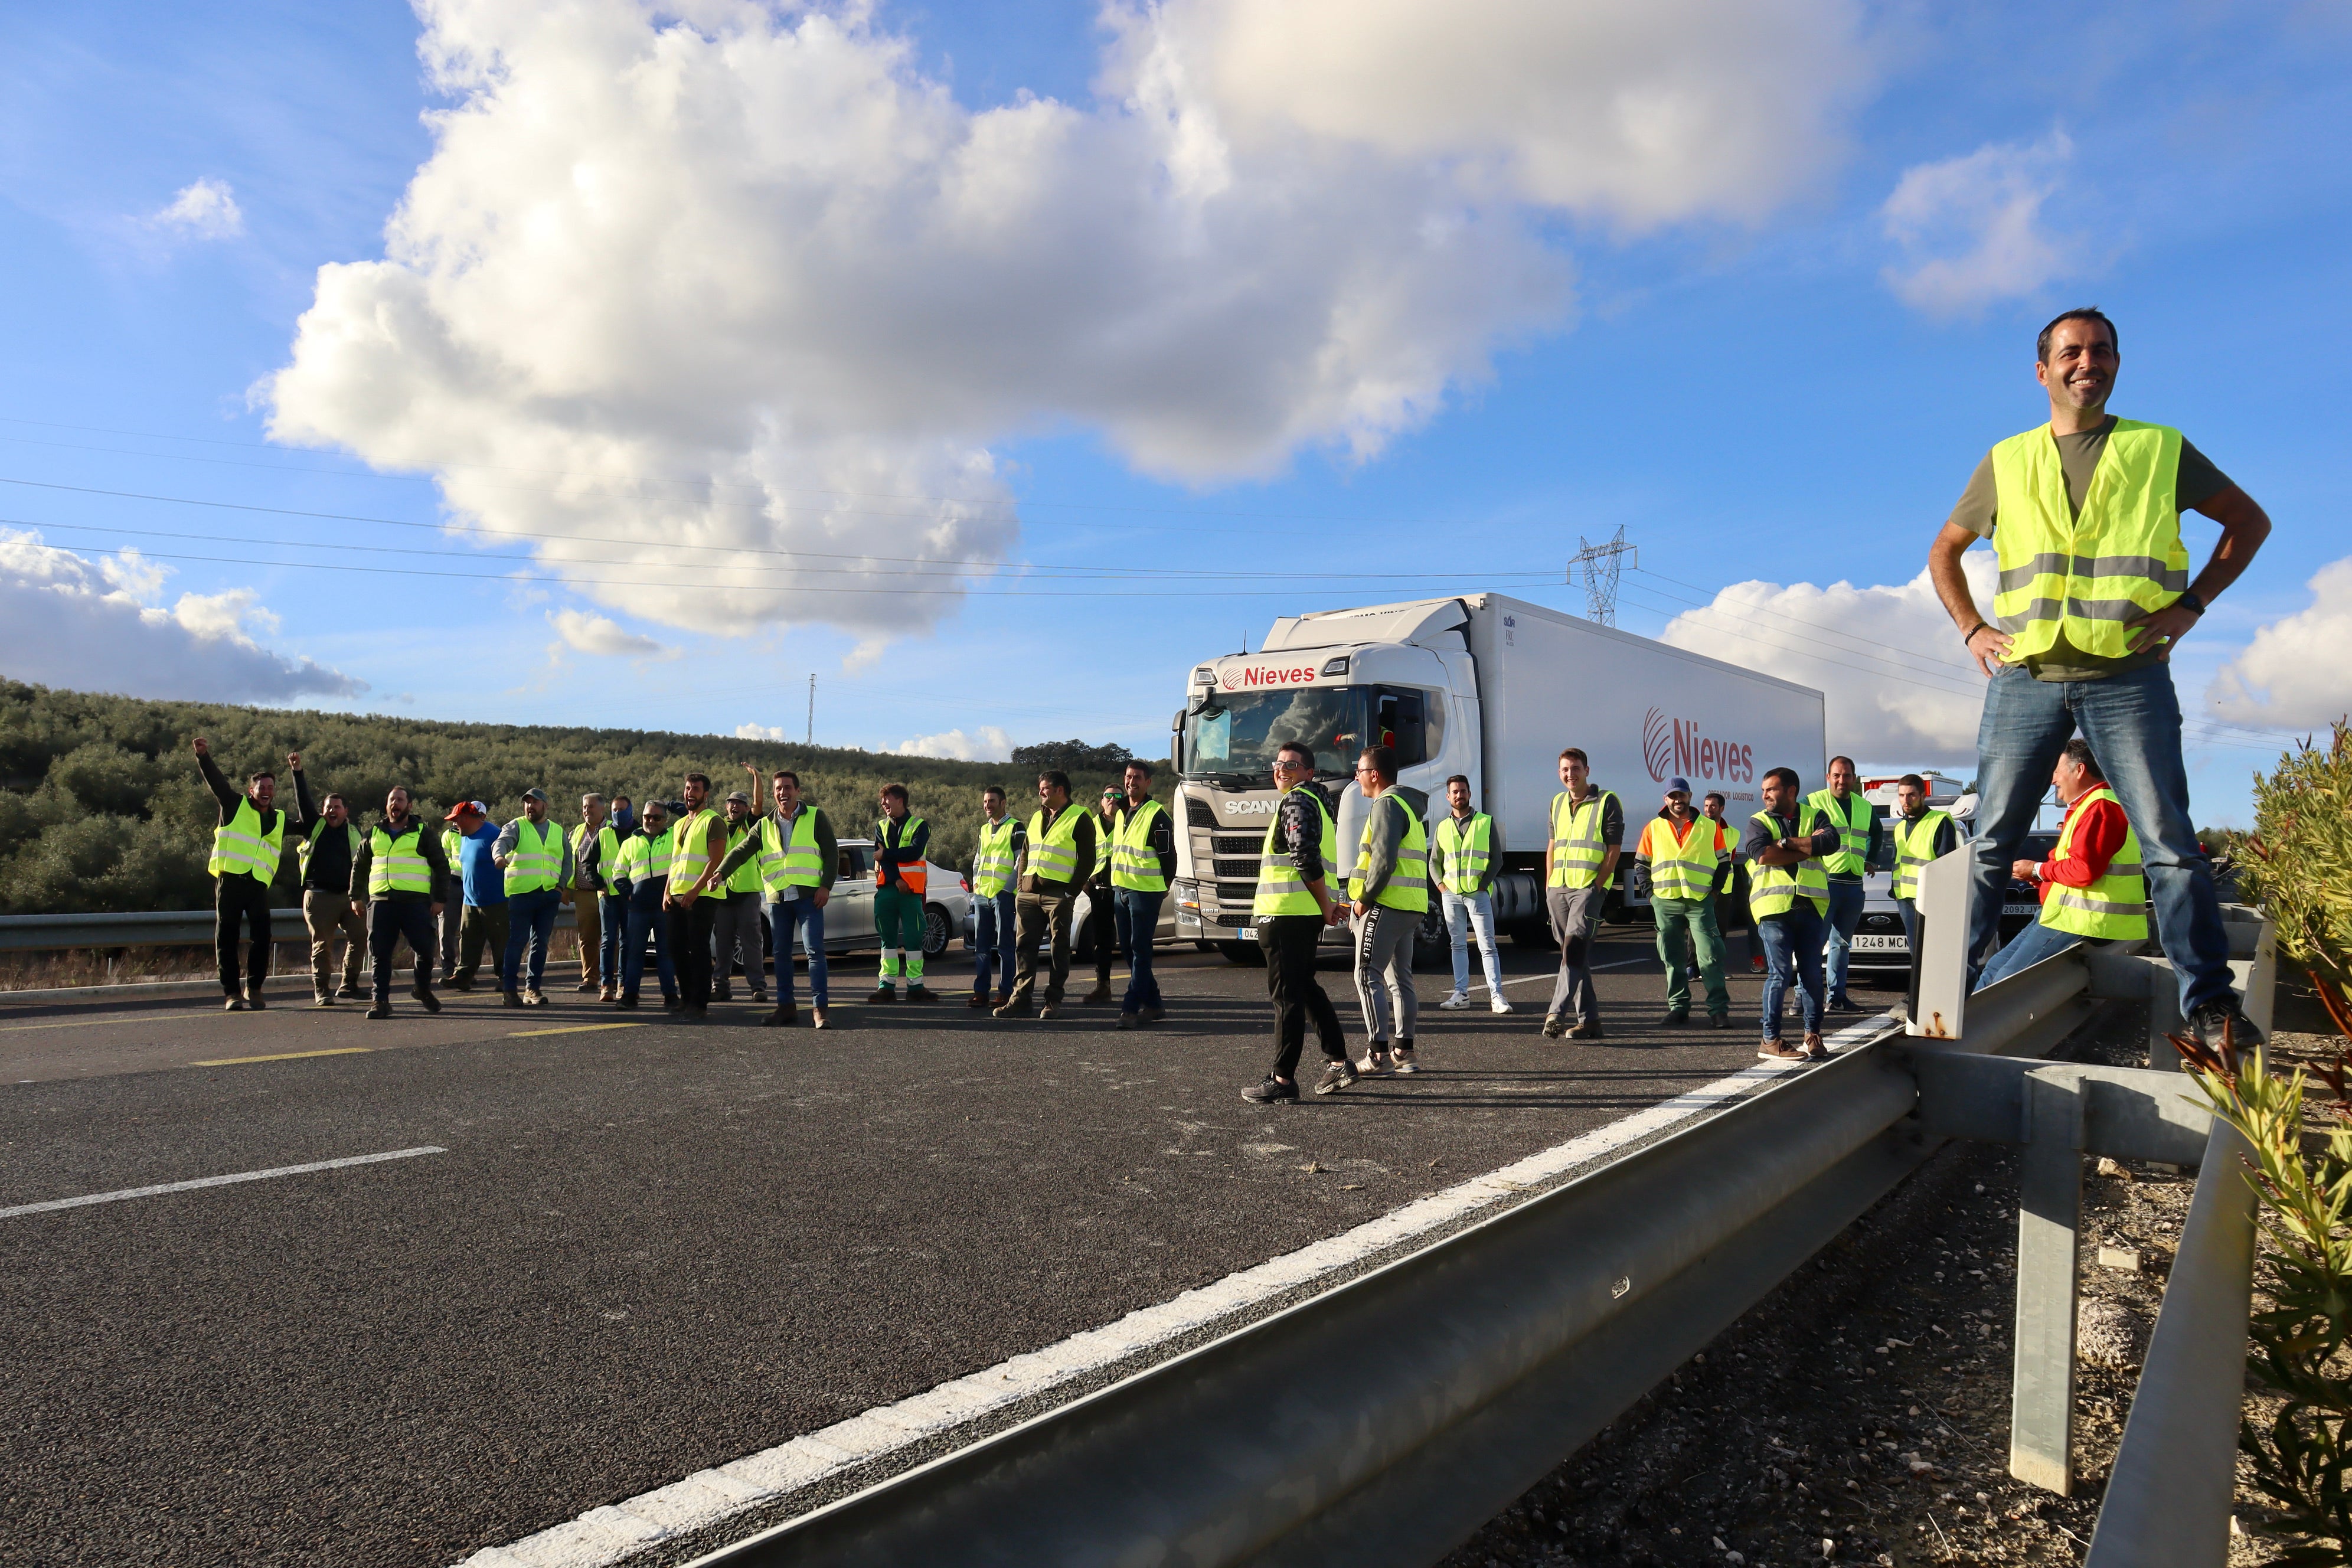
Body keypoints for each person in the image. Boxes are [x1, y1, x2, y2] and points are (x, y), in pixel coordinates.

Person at [1928, 305, 2270, 1047]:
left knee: (2169, 844)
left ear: (2117, 363)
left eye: (2103, 351)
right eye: (2074, 352)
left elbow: (2249, 521)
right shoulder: (2007, 459)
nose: (2090, 363)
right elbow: (1944, 552)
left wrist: (2190, 606)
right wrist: (1972, 627)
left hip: (2128, 674)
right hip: (2028, 675)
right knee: (1990, 841)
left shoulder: (2158, 449)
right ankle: (1942, 997)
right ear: (2043, 369)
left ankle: (2209, 1004)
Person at [1976, 741, 2145, 990]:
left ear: (2079, 770)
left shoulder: (2100, 806)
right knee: (1995, 967)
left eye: (2057, 770)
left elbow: (2084, 870)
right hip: (2061, 916)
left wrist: (2036, 869)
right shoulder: (2090, 806)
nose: (2053, 779)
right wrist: (2037, 876)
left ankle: (1974, 1026)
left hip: (2078, 921)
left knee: (2006, 982)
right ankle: (1965, 1024)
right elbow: (2073, 868)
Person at [1242, 741, 1351, 1102]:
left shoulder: (1297, 801)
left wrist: (1325, 906)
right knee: (1303, 987)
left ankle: (1283, 1079)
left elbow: (1304, 857)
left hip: (1287, 914)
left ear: (1309, 772)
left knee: (1287, 997)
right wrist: (1325, 905)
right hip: (1300, 913)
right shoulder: (1317, 801)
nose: (1281, 770)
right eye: (1278, 764)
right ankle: (1338, 1061)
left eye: (1291, 765)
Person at [713, 765, 838, 1030]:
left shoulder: (816, 817)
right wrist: (720, 874)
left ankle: (820, 1009)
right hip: (779, 899)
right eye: (778, 789)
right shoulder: (763, 825)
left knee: (814, 952)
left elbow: (832, 853)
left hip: (809, 898)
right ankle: (786, 1007)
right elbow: (741, 851)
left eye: (788, 788)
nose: (783, 793)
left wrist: (826, 886)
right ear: (774, 794)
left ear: (798, 791)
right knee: (780, 954)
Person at [191, 737, 298, 1011]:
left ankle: (255, 987)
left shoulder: (279, 818)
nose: (266, 791)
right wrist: (203, 756)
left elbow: (309, 821)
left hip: (257, 886)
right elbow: (217, 782)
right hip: (230, 881)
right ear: (252, 790)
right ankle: (231, 993)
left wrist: (299, 774)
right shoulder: (234, 804)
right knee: (226, 937)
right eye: (262, 787)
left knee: (263, 937)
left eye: (270, 788)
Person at [1747, 766, 1838, 1062]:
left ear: (1790, 791)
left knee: (1812, 974)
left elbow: (1831, 843)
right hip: (1773, 908)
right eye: (1763, 790)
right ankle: (1770, 1039)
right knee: (1781, 972)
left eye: (1771, 789)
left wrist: (1786, 843)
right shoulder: (1758, 821)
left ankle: (1813, 1035)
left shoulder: (1815, 816)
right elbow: (1762, 854)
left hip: (1811, 905)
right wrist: (1807, 847)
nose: (1765, 796)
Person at [1347, 746, 1428, 1077]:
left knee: (1366, 975)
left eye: (1360, 771)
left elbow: (1382, 861)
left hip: (1385, 903)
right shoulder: (1408, 807)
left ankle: (1377, 1055)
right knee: (1400, 981)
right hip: (1410, 906)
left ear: (1375, 775)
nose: (1357, 777)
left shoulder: (1385, 805)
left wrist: (1364, 899)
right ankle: (1403, 1053)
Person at [996, 770, 1097, 1019]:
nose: (1040, 793)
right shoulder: (1035, 817)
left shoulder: (1080, 817)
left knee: (1058, 948)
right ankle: (1020, 1000)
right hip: (1029, 894)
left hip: (1058, 894)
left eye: (1044, 789)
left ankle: (1053, 1001)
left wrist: (1070, 892)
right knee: (1024, 948)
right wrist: (1021, 886)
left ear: (1060, 790)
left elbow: (1088, 860)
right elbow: (1027, 853)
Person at [347, 785, 451, 1019]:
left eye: (400, 800)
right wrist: (355, 896)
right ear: (387, 805)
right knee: (380, 955)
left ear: (410, 805)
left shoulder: (422, 832)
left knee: (425, 950)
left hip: (415, 903)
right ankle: (380, 1001)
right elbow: (360, 866)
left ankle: (422, 989)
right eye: (392, 800)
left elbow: (441, 866)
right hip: (381, 903)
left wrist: (440, 899)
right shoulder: (374, 832)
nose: (396, 804)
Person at [1635, 776, 1731, 1029]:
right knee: (1672, 957)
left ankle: (1718, 1010)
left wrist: (1714, 893)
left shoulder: (1709, 827)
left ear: (1690, 796)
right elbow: (1641, 864)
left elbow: (1724, 862)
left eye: (1682, 795)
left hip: (1700, 901)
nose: (1678, 800)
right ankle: (1678, 1008)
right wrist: (1651, 896)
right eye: (1673, 796)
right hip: (1665, 902)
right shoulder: (1653, 828)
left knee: (1710, 956)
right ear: (1666, 800)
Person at [1542, 747, 1622, 1041]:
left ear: (1587, 771)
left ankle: (1555, 1013)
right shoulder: (1557, 803)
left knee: (1574, 949)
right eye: (1565, 769)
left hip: (1588, 889)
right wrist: (1550, 884)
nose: (1570, 774)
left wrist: (1597, 886)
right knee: (1574, 957)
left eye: (1575, 768)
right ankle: (1590, 1022)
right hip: (1559, 889)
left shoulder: (1607, 801)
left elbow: (1614, 849)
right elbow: (1552, 845)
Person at [1808, 756, 1883, 1014]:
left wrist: (1870, 859)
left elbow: (1877, 831)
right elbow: (1795, 829)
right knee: (1814, 943)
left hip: (1853, 884)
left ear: (1854, 778)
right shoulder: (1813, 801)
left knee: (1841, 944)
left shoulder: (1864, 806)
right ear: (1828, 777)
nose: (1842, 780)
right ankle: (1802, 997)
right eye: (1837, 776)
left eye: (1847, 775)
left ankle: (1836, 997)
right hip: (1825, 882)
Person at [1433, 775, 1510, 1014]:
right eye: (1455, 792)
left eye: (1463, 791)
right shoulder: (1443, 827)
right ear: (1448, 796)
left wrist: (1482, 884)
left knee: (1487, 946)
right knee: (1457, 945)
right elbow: (1434, 861)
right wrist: (1441, 886)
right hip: (1451, 894)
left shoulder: (1485, 822)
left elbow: (1497, 859)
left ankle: (1497, 996)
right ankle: (1461, 994)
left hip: (1477, 895)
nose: (1459, 795)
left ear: (1470, 793)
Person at [292, 771, 367, 1007]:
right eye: (328, 807)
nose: (332, 811)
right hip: (320, 897)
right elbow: (303, 800)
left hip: (349, 897)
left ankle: (349, 985)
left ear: (346, 811)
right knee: (322, 944)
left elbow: (364, 864)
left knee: (360, 936)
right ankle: (322, 989)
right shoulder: (315, 827)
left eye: (337, 807)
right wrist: (298, 772)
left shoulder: (354, 833)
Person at [1110, 760, 1175, 1030]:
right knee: (1128, 950)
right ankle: (1155, 1004)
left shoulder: (1157, 815)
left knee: (1141, 951)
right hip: (1121, 891)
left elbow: (1169, 858)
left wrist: (1163, 889)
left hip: (1145, 893)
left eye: (1137, 777)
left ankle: (1130, 1006)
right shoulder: (1121, 813)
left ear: (1148, 783)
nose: (1131, 782)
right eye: (1128, 777)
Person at [495, 788, 571, 1007]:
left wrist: (560, 887)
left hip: (548, 895)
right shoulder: (517, 826)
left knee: (541, 943)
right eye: (527, 802)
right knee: (517, 942)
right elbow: (502, 842)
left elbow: (567, 861)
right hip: (522, 894)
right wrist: (499, 856)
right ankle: (510, 990)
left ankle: (532, 989)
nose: (530, 806)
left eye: (535, 802)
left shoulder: (557, 831)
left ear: (545, 806)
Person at [664, 773, 730, 1019]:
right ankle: (686, 997)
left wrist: (694, 891)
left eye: (696, 789)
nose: (690, 793)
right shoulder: (680, 824)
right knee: (676, 948)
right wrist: (667, 891)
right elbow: (675, 861)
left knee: (698, 948)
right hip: (677, 893)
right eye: (688, 788)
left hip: (702, 895)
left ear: (706, 794)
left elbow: (716, 860)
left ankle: (699, 1003)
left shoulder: (713, 821)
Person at [868, 783, 936, 1004]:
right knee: (887, 939)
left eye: (887, 799)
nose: (883, 804)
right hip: (888, 889)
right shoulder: (881, 826)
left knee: (914, 938)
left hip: (912, 893)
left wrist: (886, 854)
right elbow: (880, 858)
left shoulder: (920, 826)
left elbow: (913, 852)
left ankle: (916, 986)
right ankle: (886, 986)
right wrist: (897, 879)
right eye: (882, 801)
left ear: (900, 800)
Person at [610, 800, 677, 1010]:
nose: (651, 821)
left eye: (657, 817)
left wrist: (672, 804)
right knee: (634, 953)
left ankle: (671, 996)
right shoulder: (631, 842)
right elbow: (618, 873)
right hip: (638, 908)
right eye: (648, 816)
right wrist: (629, 895)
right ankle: (630, 995)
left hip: (665, 907)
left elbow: (687, 818)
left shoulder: (674, 838)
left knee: (666, 953)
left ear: (664, 820)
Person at [966, 785, 1025, 1011]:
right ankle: (981, 992)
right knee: (981, 947)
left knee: (1005, 946)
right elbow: (979, 859)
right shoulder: (983, 829)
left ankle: (1006, 991)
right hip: (983, 896)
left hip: (1003, 896)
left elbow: (1020, 862)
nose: (987, 806)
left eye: (991, 801)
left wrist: (1007, 889)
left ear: (1003, 802)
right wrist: (976, 885)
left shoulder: (1016, 828)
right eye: (985, 802)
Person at [1888, 773, 1958, 956]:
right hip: (1904, 898)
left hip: (1929, 898)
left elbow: (1948, 864)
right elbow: (1898, 862)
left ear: (1923, 795)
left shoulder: (1940, 821)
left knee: (1933, 953)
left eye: (1911, 795)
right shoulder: (1899, 827)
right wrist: (1894, 892)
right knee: (1917, 953)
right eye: (1902, 795)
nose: (1906, 800)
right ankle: (1919, 986)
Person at [709, 789, 769, 1005]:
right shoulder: (719, 826)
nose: (734, 807)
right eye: (731, 803)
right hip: (723, 893)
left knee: (750, 942)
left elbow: (759, 802)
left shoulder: (752, 825)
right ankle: (721, 987)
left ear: (746, 808)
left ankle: (758, 987)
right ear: (726, 807)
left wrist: (756, 777)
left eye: (739, 804)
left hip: (747, 893)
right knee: (723, 943)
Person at [447, 801, 507, 991]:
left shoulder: (494, 835)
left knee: (500, 942)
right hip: (470, 900)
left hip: (496, 900)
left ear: (466, 818)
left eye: (456, 820)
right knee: (468, 939)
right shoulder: (464, 836)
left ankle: (505, 978)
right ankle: (463, 976)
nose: (455, 825)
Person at [568, 793, 622, 998]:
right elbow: (569, 861)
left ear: (602, 809)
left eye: (591, 807)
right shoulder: (576, 832)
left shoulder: (612, 831)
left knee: (611, 938)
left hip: (608, 892)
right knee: (587, 938)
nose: (586, 810)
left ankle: (614, 977)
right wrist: (566, 888)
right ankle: (590, 978)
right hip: (583, 893)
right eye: (584, 807)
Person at [1702, 790, 1759, 975]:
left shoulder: (1732, 833)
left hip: (1724, 887)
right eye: (1706, 806)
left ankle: (1717, 966)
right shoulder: (1695, 828)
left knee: (1720, 929)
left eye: (1713, 806)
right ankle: (1693, 967)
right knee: (1698, 929)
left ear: (1722, 809)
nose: (1709, 810)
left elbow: (1729, 857)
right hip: (1699, 885)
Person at [1081, 788, 1123, 1005]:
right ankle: (1103, 987)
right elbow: (1077, 854)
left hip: (1123, 888)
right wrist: (1085, 884)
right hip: (1099, 891)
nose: (1113, 800)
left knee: (1130, 941)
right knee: (1102, 941)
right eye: (1109, 796)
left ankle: (1141, 989)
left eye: (1118, 796)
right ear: (1101, 801)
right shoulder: (1091, 824)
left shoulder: (1128, 822)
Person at [435, 812, 466, 984]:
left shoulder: (475, 835)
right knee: (447, 927)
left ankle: (465, 970)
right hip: (453, 884)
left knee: (468, 929)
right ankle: (448, 968)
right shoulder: (448, 836)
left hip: (471, 885)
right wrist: (463, 864)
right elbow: (443, 861)